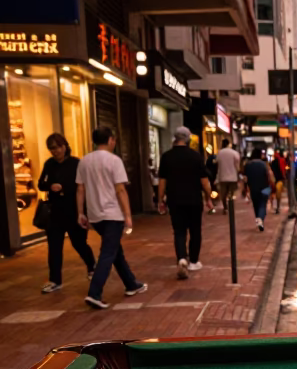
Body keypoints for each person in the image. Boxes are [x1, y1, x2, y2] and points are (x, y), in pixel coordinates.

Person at [76, 127, 146, 309]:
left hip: (95, 215)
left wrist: (80, 212)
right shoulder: (114, 161)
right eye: (114, 139)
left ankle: (131, 284)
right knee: (108, 252)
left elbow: (80, 189)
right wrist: (128, 216)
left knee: (115, 251)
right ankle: (94, 293)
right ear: (110, 140)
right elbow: (120, 189)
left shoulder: (84, 161)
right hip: (113, 214)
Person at [37, 132, 96, 293]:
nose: (55, 152)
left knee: (79, 243)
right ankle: (55, 280)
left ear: (64, 147)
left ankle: (92, 266)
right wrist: (50, 186)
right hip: (55, 211)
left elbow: (84, 187)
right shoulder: (49, 164)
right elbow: (41, 183)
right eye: (51, 149)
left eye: (57, 148)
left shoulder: (77, 163)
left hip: (74, 209)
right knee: (54, 246)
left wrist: (84, 211)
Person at [157, 125, 213, 278]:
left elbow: (162, 181)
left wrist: (160, 199)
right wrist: (209, 197)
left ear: (175, 138)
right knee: (195, 230)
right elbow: (204, 181)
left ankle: (182, 258)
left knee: (179, 231)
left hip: (175, 200)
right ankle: (194, 261)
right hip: (194, 200)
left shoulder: (166, 157)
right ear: (188, 139)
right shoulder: (195, 156)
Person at [243, 147, 275, 231]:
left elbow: (245, 178)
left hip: (253, 188)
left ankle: (258, 219)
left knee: (256, 205)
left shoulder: (247, 165)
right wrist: (272, 184)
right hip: (265, 188)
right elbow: (270, 175)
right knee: (262, 205)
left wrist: (245, 188)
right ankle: (260, 219)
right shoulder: (264, 164)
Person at [216, 137, 241, 212]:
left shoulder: (219, 153)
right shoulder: (234, 153)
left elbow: (217, 163)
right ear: (229, 144)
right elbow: (237, 165)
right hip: (232, 177)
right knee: (231, 193)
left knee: (223, 194)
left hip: (222, 176)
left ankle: (225, 207)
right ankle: (230, 207)